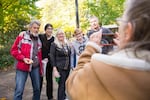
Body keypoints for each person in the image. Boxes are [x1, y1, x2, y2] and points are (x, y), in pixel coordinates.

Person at [66, 0, 150, 100]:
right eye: (91, 22)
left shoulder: (105, 30)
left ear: (128, 31)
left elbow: (72, 85)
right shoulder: (89, 32)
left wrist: (91, 47)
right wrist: (124, 48)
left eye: (121, 22)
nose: (93, 24)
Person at [10, 20, 42, 100]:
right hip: (22, 67)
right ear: (30, 28)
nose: (36, 30)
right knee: (19, 90)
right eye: (34, 28)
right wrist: (23, 58)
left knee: (37, 89)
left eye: (38, 28)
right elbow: (14, 50)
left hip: (35, 67)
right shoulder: (22, 36)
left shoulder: (39, 39)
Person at [50, 29, 71, 100]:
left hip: (67, 67)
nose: (61, 35)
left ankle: (64, 97)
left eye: (62, 34)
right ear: (57, 36)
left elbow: (69, 55)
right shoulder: (54, 44)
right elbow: (52, 56)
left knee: (65, 84)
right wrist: (54, 69)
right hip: (60, 67)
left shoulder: (67, 43)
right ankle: (61, 98)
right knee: (61, 85)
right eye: (59, 34)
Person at [39, 23, 54, 100]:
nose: (49, 30)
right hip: (40, 62)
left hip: (49, 62)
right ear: (45, 30)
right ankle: (37, 96)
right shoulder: (40, 37)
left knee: (49, 80)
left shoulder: (54, 39)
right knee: (39, 80)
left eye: (51, 29)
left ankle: (50, 97)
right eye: (48, 28)